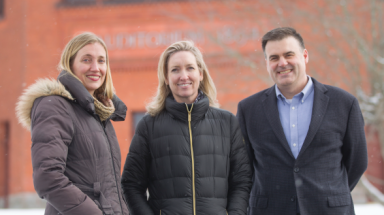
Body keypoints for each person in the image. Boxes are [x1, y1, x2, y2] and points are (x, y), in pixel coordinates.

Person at [237, 27, 368, 215]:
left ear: (305, 55)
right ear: (266, 63)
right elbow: (243, 168)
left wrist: (329, 193)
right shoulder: (248, 109)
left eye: (289, 55)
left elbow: (357, 161)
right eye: (274, 58)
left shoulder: (344, 103)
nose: (282, 63)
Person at [121, 41, 252, 215]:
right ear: (166, 78)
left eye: (190, 68)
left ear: (201, 74)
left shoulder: (227, 122)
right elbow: (131, 185)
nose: (183, 76)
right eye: (175, 70)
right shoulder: (149, 125)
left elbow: (242, 181)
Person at [16, 32, 129, 215]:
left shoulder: (99, 114)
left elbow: (108, 187)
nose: (95, 67)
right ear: (70, 64)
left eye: (101, 61)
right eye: (86, 60)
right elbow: (48, 177)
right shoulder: (55, 106)